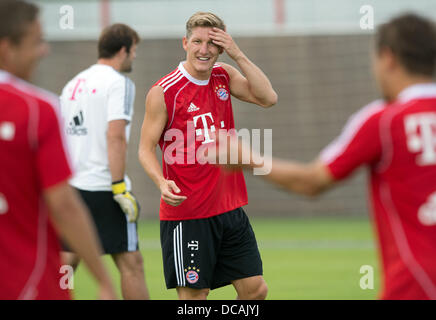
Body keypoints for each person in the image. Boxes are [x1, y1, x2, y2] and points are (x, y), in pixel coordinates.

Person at [209, 13, 436, 300]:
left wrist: (248, 159)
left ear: (388, 58)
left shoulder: (383, 122)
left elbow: (312, 182)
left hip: (414, 286)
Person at [138, 12, 277, 300]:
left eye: (213, 43)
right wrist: (161, 182)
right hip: (189, 215)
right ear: (185, 43)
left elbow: (268, 98)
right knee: (195, 298)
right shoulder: (164, 91)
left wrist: (237, 53)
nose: (204, 50)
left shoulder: (224, 76)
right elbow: (144, 148)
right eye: (198, 42)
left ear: (221, 46)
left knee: (256, 291)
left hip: (230, 209)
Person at [0, 0, 116, 300]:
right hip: (28, 279)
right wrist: (103, 279)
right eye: (36, 42)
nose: (44, 51)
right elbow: (63, 204)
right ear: (6, 48)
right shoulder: (37, 109)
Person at [59, 24, 149, 299]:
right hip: (105, 188)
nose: (134, 56)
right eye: (133, 51)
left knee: (64, 266)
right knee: (131, 264)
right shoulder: (119, 83)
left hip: (73, 187)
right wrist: (119, 186)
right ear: (123, 50)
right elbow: (116, 136)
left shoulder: (73, 83)